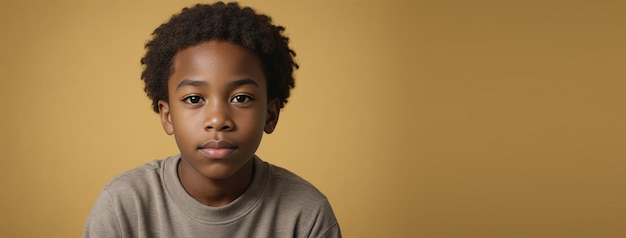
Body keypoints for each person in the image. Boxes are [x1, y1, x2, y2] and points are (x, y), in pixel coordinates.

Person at [83, 2, 341, 237]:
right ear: (168, 116)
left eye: (241, 98)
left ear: (270, 115)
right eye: (195, 99)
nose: (218, 120)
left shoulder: (307, 214)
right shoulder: (122, 206)